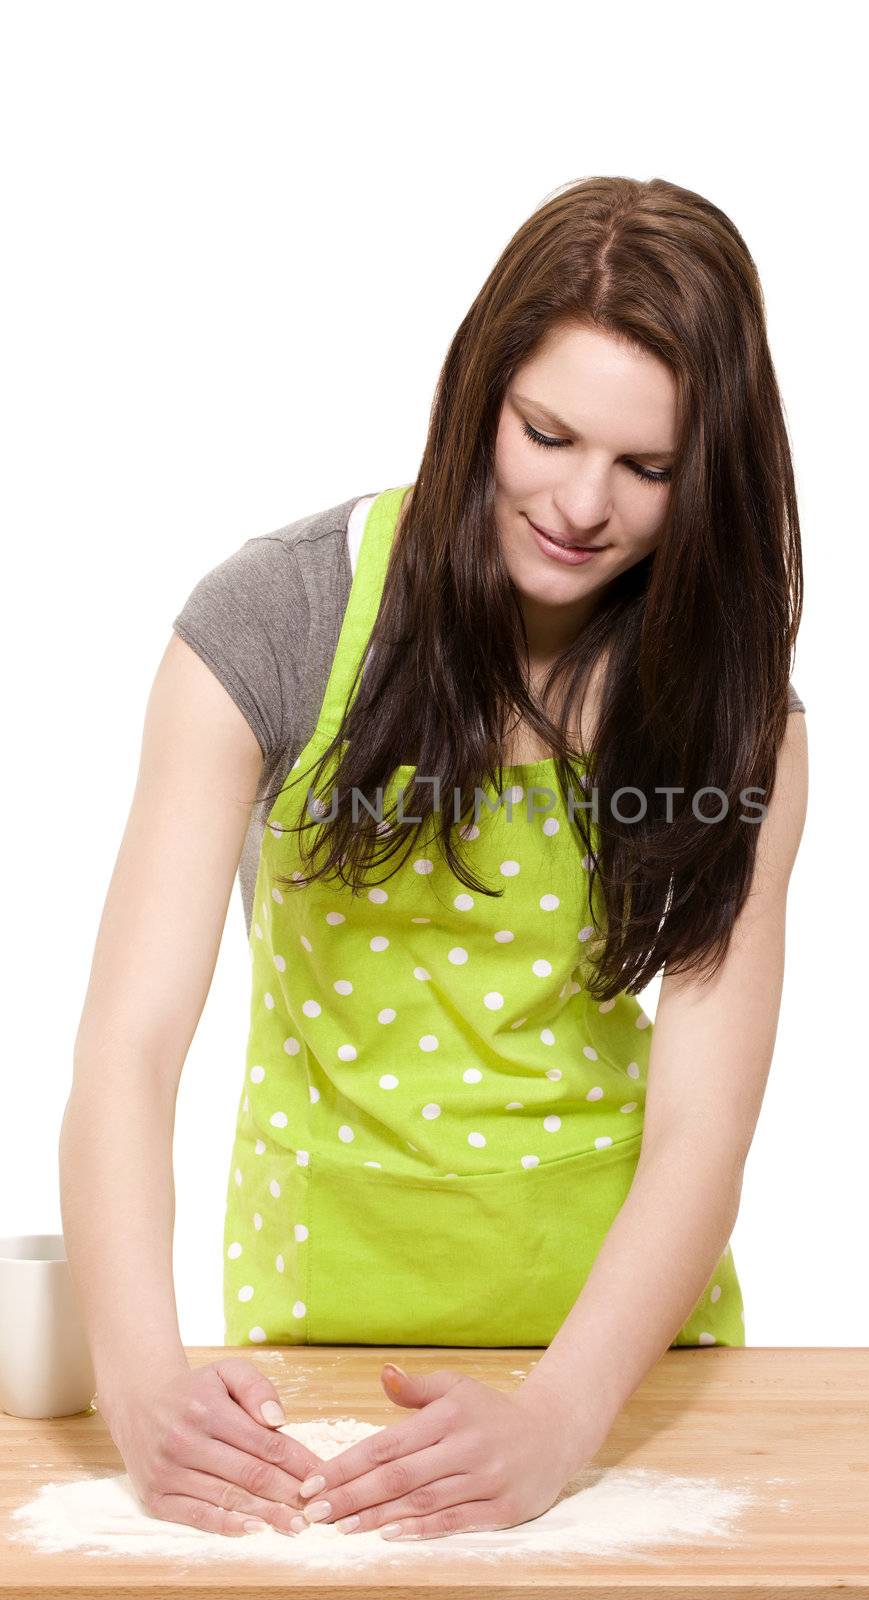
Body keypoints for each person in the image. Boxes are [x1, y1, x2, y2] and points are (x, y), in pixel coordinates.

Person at [60, 174, 808, 1543]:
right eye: (547, 433)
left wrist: (563, 1419)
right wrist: (141, 1381)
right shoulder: (275, 621)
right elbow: (129, 1045)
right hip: (315, 1352)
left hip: (620, 1375)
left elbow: (708, 1116)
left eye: (649, 469)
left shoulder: (731, 706)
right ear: (481, 393)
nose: (584, 504)